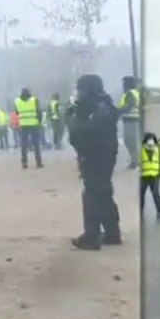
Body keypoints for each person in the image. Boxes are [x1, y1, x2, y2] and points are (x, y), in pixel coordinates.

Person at [68, 74, 122, 251]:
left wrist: (71, 118)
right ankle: (113, 233)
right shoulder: (101, 105)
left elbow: (82, 134)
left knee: (91, 194)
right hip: (103, 155)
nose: (78, 93)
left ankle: (91, 237)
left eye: (80, 89)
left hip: (98, 156)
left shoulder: (98, 109)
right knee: (103, 192)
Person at [13, 88, 44, 170]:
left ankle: (24, 163)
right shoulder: (34, 100)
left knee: (24, 145)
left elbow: (17, 112)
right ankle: (38, 162)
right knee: (36, 145)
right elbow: (39, 112)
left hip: (23, 125)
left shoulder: (17, 101)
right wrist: (39, 122)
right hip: (34, 124)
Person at [118, 76, 142, 169]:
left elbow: (129, 106)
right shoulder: (130, 93)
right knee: (130, 141)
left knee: (130, 141)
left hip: (131, 120)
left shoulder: (130, 94)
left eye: (124, 83)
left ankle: (135, 161)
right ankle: (134, 159)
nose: (123, 85)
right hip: (129, 120)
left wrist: (118, 111)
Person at [139, 132, 160, 220]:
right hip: (144, 176)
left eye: (152, 139)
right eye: (149, 139)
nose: (151, 141)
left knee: (156, 194)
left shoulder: (158, 150)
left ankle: (159, 211)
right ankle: (140, 211)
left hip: (155, 176)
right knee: (141, 194)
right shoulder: (141, 150)